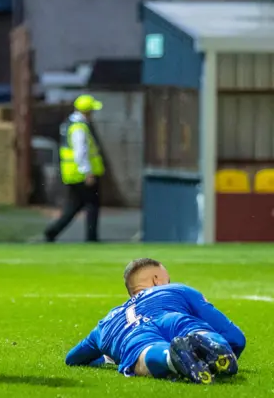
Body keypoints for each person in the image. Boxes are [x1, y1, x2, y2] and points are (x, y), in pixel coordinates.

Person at [65, 258, 246, 384]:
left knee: (144, 353)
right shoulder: (176, 289)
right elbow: (235, 337)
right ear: (157, 280)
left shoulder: (105, 323)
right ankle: (209, 344)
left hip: (132, 334)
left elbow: (72, 358)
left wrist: (106, 359)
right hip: (172, 318)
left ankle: (170, 358)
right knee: (197, 331)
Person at [44, 94, 104, 242]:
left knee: (75, 206)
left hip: (72, 172)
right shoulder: (79, 127)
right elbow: (80, 151)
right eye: (91, 110)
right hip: (80, 173)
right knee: (92, 205)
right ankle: (91, 238)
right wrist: (87, 172)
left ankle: (52, 231)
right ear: (86, 111)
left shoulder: (70, 123)